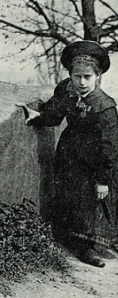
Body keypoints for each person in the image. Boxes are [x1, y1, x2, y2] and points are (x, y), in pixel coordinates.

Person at [21, 40, 118, 267]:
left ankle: (88, 247)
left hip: (95, 161)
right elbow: (55, 113)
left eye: (87, 77)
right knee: (69, 196)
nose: (82, 82)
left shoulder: (105, 107)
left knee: (92, 202)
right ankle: (68, 238)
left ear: (98, 77)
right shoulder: (67, 90)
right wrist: (38, 116)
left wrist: (103, 179)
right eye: (77, 76)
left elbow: (110, 147)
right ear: (71, 75)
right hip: (69, 154)